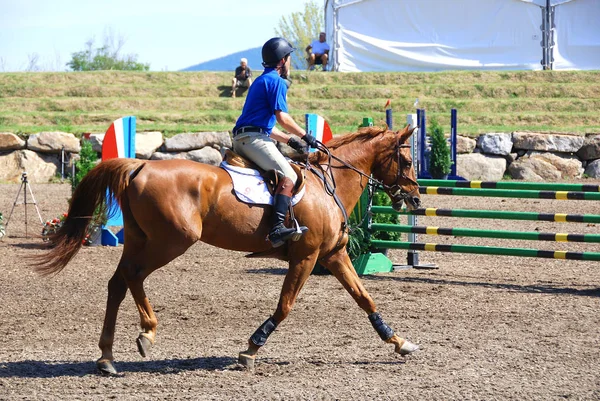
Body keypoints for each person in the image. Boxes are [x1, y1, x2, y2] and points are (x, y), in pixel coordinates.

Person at [231, 37, 318, 248]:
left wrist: (291, 140)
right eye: (288, 58)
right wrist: (305, 136)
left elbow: (267, 127)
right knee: (288, 175)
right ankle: (277, 229)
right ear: (282, 60)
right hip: (253, 139)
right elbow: (283, 118)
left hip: (246, 137)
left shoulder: (261, 81)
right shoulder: (276, 82)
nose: (289, 63)